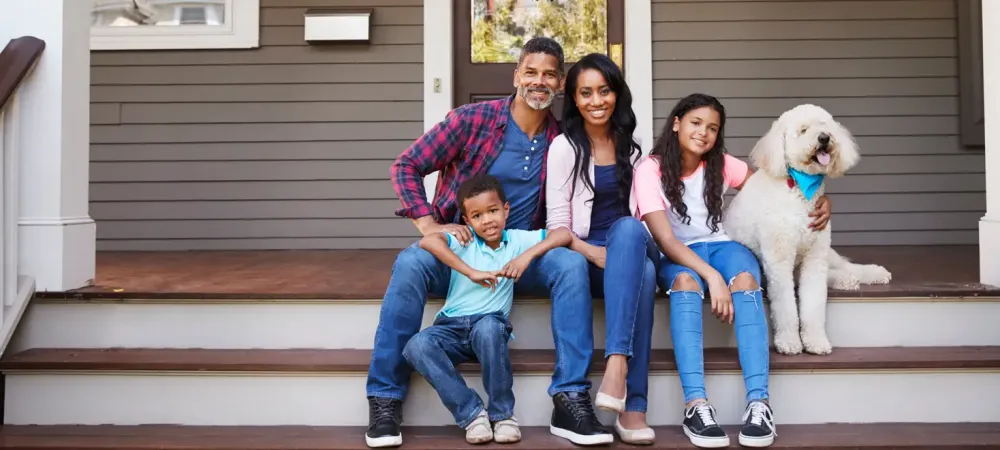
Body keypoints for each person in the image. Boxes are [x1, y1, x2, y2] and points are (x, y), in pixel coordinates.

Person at [366, 36, 614, 448]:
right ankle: (385, 398)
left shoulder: (564, 142)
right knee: (410, 263)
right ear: (517, 75)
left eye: (549, 74)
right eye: (530, 72)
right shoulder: (472, 120)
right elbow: (406, 165)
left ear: (560, 82)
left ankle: (570, 396)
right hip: (461, 250)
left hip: (521, 255)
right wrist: (429, 225)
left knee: (570, 266)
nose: (539, 81)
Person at [629, 93, 832, 448]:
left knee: (748, 279)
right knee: (686, 282)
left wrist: (818, 199)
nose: (703, 133)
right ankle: (696, 404)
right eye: (695, 123)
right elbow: (664, 239)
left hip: (723, 246)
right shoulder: (650, 169)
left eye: (712, 128)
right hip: (677, 254)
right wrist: (711, 276)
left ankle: (759, 403)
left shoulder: (722, 163)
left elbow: (774, 185)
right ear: (676, 123)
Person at [404, 174, 573, 445]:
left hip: (488, 326)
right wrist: (470, 271)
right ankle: (471, 414)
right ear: (467, 221)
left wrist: (525, 256)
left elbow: (563, 233)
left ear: (506, 210)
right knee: (417, 345)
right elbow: (429, 241)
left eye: (493, 211)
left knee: (490, 328)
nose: (487, 221)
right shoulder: (465, 240)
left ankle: (503, 415)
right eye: (477, 216)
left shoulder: (516, 241)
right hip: (451, 327)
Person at [545, 52, 658, 445]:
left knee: (628, 230)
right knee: (643, 275)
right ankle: (633, 408)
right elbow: (556, 223)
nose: (597, 101)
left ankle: (615, 365)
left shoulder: (635, 144)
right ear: (574, 99)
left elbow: (646, 215)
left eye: (605, 91)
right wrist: (592, 253)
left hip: (632, 243)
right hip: (589, 253)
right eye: (586, 93)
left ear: (617, 93)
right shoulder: (563, 147)